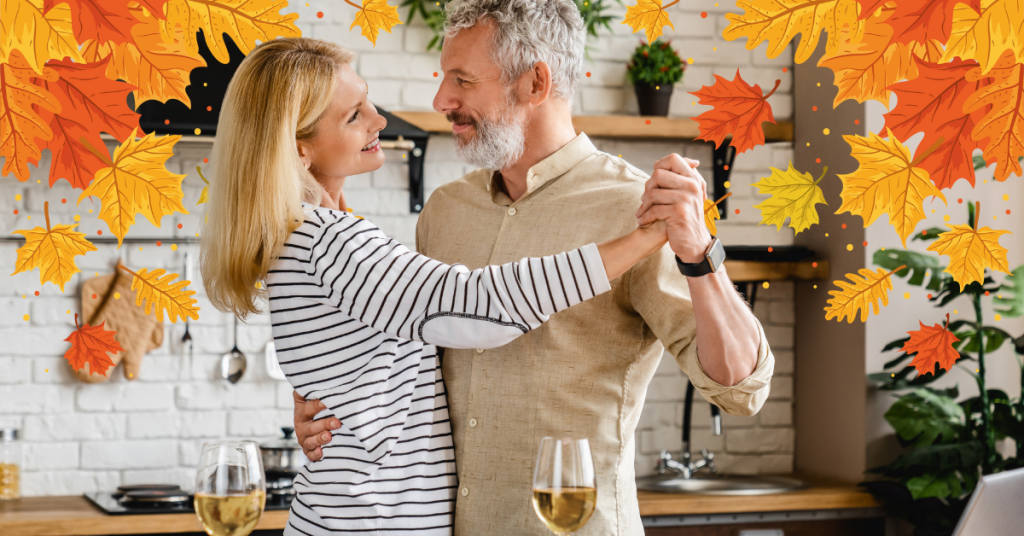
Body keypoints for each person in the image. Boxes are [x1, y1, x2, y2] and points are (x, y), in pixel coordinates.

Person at [293, 0, 777, 535]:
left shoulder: (638, 210)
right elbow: (407, 357)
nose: (441, 100)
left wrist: (701, 254)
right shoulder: (445, 212)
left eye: (463, 80)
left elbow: (739, 388)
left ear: (535, 83)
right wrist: (324, 410)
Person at [199, 37, 672, 536]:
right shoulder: (330, 241)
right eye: (354, 115)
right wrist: (646, 237)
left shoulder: (298, 238)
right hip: (372, 525)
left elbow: (360, 373)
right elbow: (479, 308)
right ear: (300, 148)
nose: (379, 122)